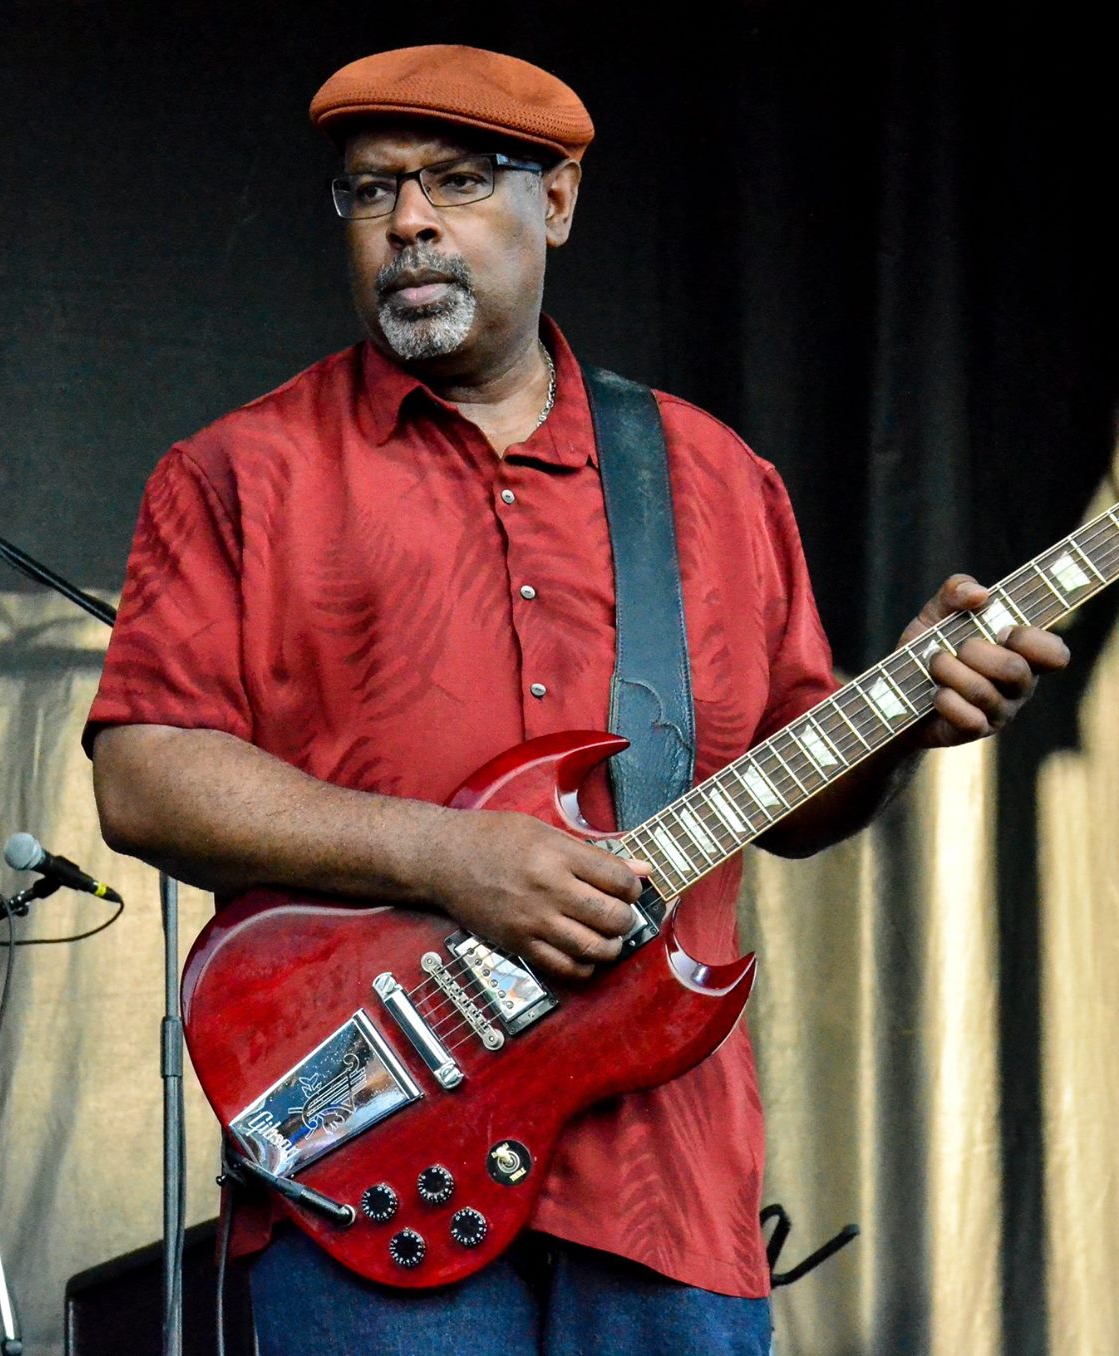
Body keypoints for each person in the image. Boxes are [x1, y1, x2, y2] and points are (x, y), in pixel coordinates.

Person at [84, 44, 1069, 1356]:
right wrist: (451, 853)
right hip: (377, 1169)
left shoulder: (716, 478)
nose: (411, 220)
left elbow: (795, 796)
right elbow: (144, 771)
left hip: (667, 1193)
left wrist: (906, 715)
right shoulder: (239, 473)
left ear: (556, 203)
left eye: (456, 180)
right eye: (372, 192)